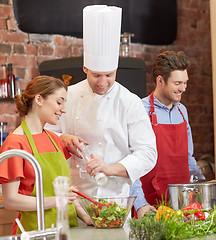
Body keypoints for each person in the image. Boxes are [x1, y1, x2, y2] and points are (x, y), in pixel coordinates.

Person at [45, 5, 157, 199]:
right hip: (76, 197)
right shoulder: (68, 96)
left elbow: (148, 153)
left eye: (109, 75)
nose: (103, 83)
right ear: (85, 68)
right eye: (96, 75)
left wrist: (111, 168)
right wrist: (63, 139)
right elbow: (44, 134)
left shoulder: (129, 101)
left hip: (116, 198)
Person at [0, 76, 92, 234]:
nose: (64, 109)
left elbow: (65, 191)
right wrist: (57, 201)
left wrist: (86, 217)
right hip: (35, 231)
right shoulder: (15, 144)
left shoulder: (55, 140)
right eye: (59, 102)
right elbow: (10, 200)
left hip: (67, 230)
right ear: (39, 99)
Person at [130, 51, 205, 218]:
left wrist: (201, 188)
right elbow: (131, 163)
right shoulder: (140, 110)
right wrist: (141, 204)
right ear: (160, 81)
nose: (183, 88)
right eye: (177, 83)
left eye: (185, 83)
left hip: (182, 203)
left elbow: (188, 158)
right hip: (151, 203)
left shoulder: (182, 111)